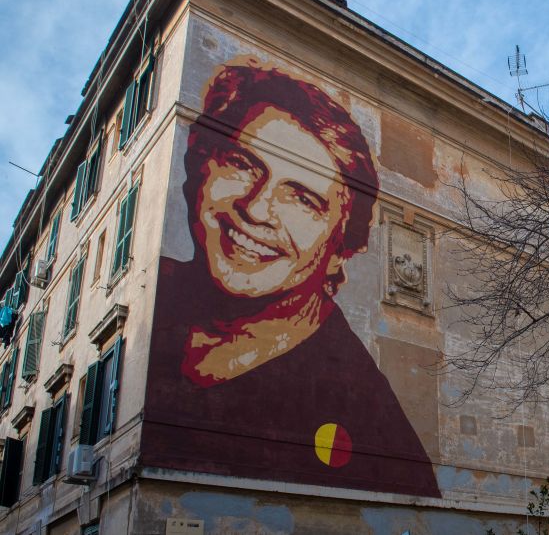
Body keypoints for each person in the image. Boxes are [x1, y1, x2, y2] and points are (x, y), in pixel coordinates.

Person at [141, 62, 440, 498]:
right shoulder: (157, 298)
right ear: (200, 165)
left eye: (301, 199)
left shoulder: (377, 435)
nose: (257, 209)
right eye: (242, 163)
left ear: (342, 247)